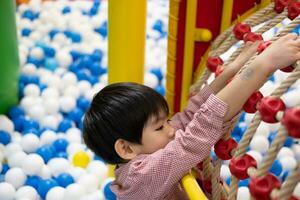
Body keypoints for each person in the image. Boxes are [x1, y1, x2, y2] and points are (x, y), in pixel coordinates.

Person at [83, 33, 300, 199]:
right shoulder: (141, 175)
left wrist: (231, 70)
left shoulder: (149, 151)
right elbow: (194, 137)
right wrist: (263, 64)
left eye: (166, 121)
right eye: (159, 127)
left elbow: (188, 115)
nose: (171, 129)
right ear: (127, 149)